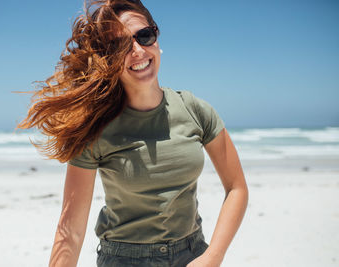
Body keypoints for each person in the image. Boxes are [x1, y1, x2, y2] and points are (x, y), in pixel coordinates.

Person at [18, 0, 248, 266]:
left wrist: (212, 257)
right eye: (119, 46)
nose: (137, 51)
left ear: (156, 38)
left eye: (144, 36)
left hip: (194, 254)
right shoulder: (95, 128)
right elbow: (71, 231)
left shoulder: (195, 110)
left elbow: (237, 188)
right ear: (108, 58)